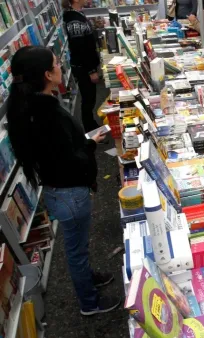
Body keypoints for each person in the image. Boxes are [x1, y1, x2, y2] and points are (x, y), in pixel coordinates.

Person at [6, 47, 120, 315]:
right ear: (47, 74)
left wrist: (83, 143)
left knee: (78, 244)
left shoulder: (32, 107)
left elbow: (58, 152)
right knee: (77, 250)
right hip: (69, 193)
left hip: (61, 190)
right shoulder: (48, 115)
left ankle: (89, 278)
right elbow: (69, 159)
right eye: (56, 63)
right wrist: (90, 145)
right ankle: (89, 303)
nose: (60, 65)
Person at [62, 0, 101, 133]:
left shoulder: (76, 15)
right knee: (88, 99)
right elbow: (81, 50)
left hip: (83, 66)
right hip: (83, 68)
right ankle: (90, 131)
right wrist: (91, 70)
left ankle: (92, 126)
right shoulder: (74, 21)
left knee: (89, 99)